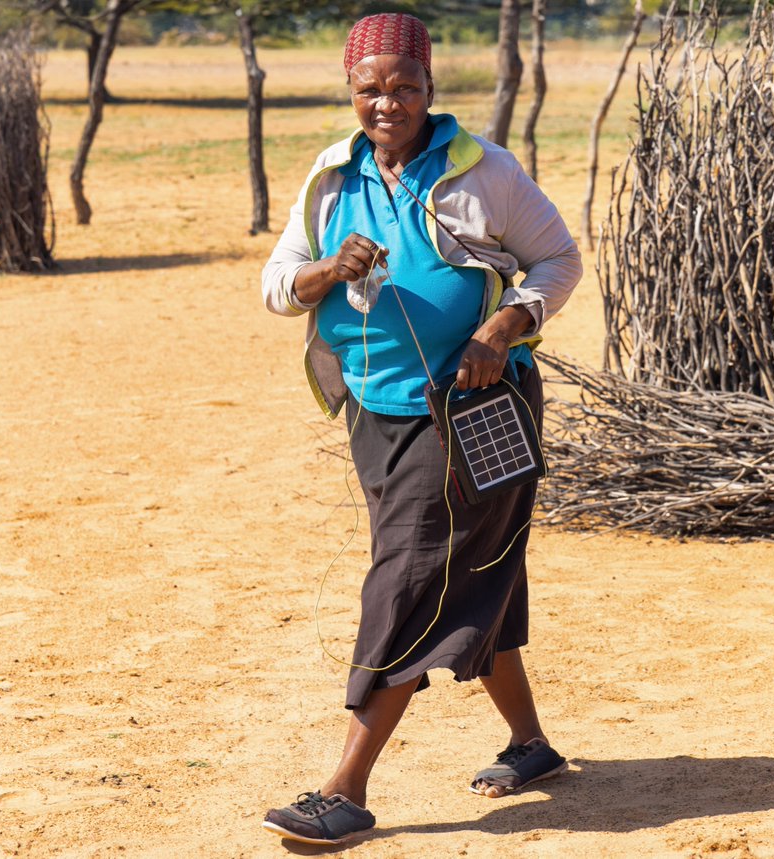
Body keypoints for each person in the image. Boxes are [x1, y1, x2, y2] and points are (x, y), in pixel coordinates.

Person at [259, 12, 583, 846]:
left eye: (405, 87)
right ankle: (531, 745)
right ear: (352, 93)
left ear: (431, 88)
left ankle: (346, 788)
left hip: (474, 416)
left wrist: (501, 327)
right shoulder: (331, 178)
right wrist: (328, 270)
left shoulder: (485, 171)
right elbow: (277, 282)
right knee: (468, 572)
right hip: (376, 414)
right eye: (372, 89)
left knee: (407, 581)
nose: (388, 103)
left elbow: (557, 260)